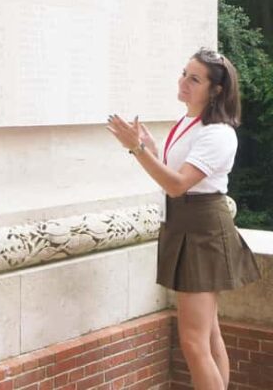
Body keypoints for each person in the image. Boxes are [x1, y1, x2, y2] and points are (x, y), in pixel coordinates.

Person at [106, 47, 260, 390]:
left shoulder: (218, 132)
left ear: (216, 90)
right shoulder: (190, 122)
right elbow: (177, 174)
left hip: (201, 228)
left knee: (193, 343)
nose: (184, 82)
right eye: (184, 73)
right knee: (207, 335)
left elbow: (177, 186)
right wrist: (151, 149)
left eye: (195, 78)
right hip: (187, 224)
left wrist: (138, 149)